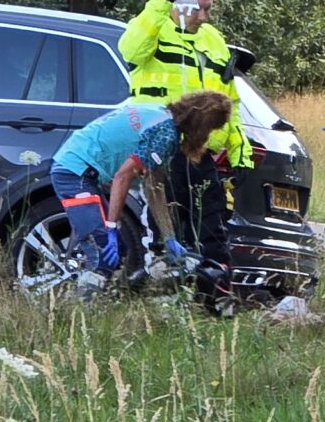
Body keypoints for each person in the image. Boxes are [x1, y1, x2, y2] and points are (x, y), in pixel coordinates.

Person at [120, 0, 251, 307]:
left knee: (213, 228)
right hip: (161, 147)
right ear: (182, 3)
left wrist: (238, 151)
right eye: (201, 9)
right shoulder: (156, 26)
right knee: (165, 230)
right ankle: (165, 300)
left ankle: (216, 300)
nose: (206, 17)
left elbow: (228, 100)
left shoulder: (213, 40)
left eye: (210, 9)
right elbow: (130, 50)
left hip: (202, 152)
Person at [45, 91, 231, 292]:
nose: (207, 136)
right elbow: (122, 177)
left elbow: (154, 188)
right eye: (210, 129)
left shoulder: (159, 114)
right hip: (74, 171)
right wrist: (111, 227)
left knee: (119, 252)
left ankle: (94, 304)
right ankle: (79, 314)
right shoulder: (165, 135)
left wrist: (169, 237)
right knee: (102, 254)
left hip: (77, 166)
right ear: (201, 125)